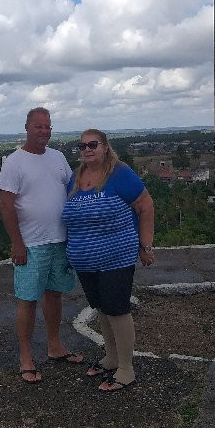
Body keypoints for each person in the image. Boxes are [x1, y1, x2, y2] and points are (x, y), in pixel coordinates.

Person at [62, 128, 155, 392]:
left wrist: (145, 246)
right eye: (82, 146)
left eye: (93, 144)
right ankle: (112, 357)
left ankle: (126, 368)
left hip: (116, 257)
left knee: (117, 308)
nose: (87, 149)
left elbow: (145, 205)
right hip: (86, 261)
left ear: (105, 147)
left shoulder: (119, 173)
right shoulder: (75, 178)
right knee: (101, 308)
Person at [0, 107, 84, 384]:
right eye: (39, 127)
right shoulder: (14, 162)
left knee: (55, 294)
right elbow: (6, 204)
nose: (44, 131)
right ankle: (26, 358)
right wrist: (16, 243)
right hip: (31, 243)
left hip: (60, 239)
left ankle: (55, 346)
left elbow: (72, 189)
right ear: (26, 127)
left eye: (48, 126)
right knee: (28, 300)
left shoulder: (58, 157)